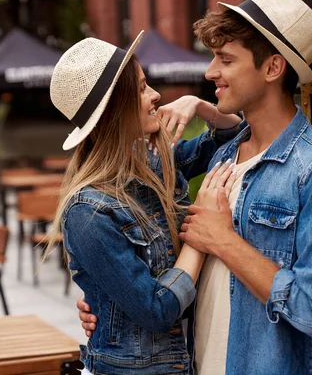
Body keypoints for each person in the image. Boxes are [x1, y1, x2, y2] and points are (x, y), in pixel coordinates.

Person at [78, 0, 312, 374]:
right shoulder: (224, 154)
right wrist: (109, 305)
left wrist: (223, 241)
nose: (210, 72)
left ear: (273, 68)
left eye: (225, 59)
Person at [48, 31, 242, 375]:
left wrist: (197, 105)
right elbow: (157, 308)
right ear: (114, 110)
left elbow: (234, 134)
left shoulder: (158, 165)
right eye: (140, 88)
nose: (154, 96)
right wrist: (203, 231)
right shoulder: (88, 212)